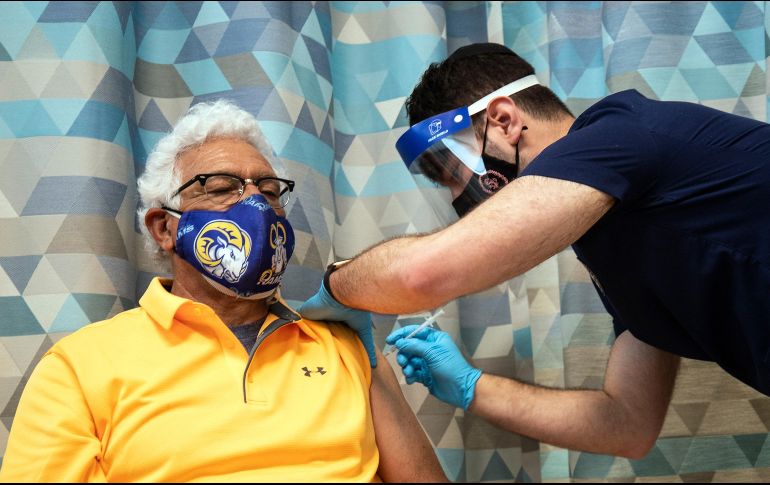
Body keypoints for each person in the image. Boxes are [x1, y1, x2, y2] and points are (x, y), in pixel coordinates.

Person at [299, 42, 770, 459]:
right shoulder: (611, 239)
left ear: (504, 121)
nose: (457, 198)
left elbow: (421, 276)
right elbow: (627, 425)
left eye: (452, 172)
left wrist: (338, 285)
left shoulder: (616, 138)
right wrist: (471, 387)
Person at [0, 100, 447, 482]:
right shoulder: (79, 369)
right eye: (221, 188)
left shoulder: (345, 346)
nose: (255, 204)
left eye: (269, 191)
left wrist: (376, 371)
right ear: (164, 228)